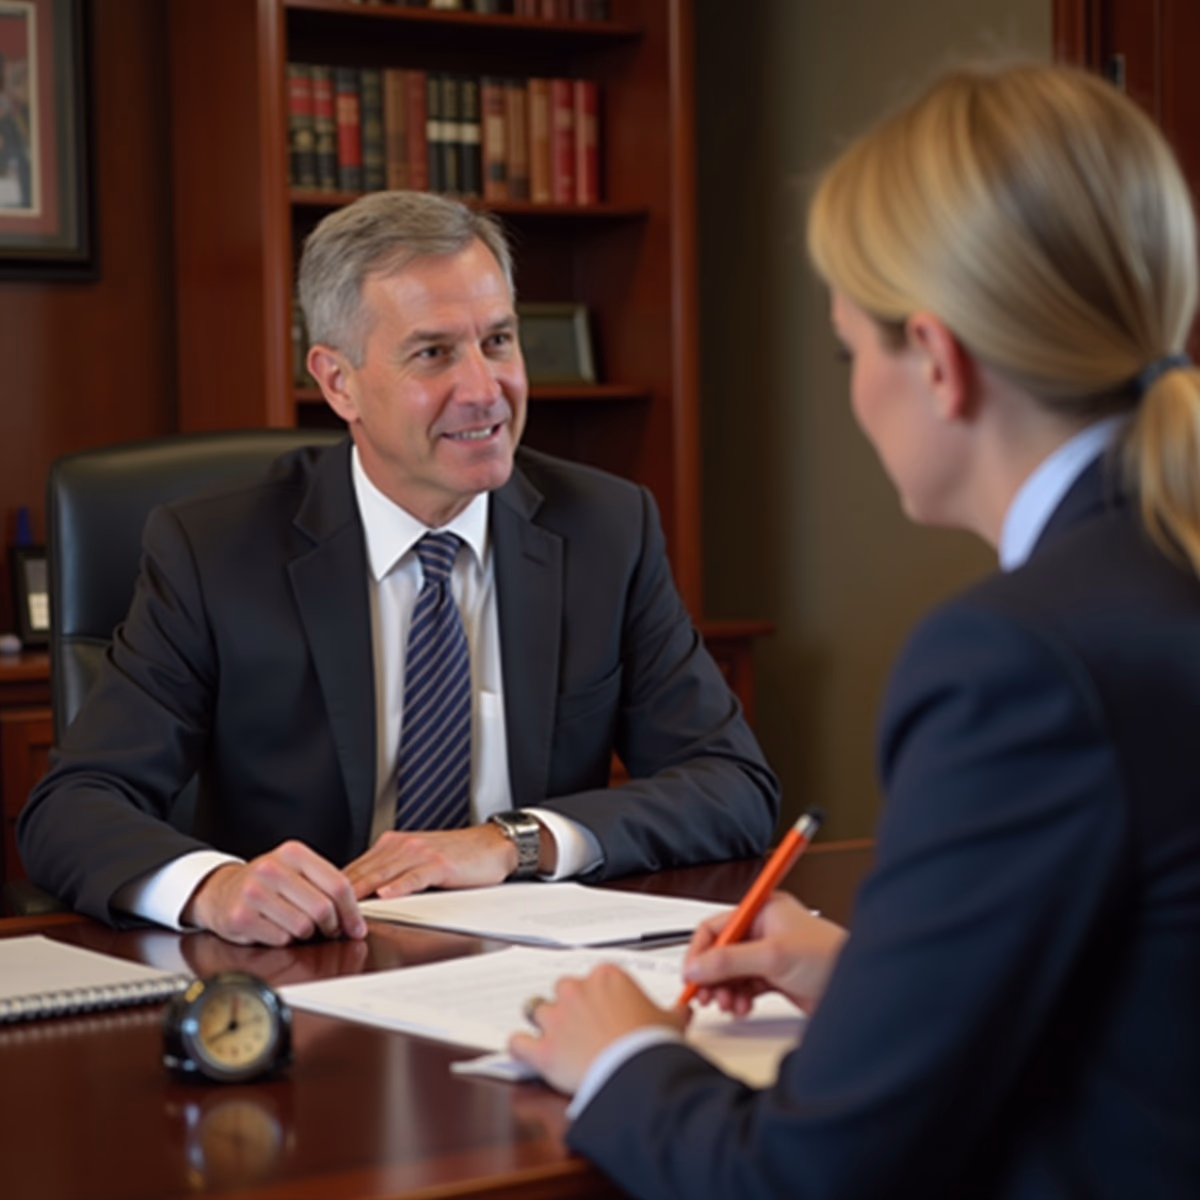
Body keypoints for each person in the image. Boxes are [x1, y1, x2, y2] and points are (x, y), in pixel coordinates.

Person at [508, 61, 1200, 1198]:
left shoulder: (1018, 659)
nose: (853, 390)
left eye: (850, 352)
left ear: (934, 359)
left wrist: (621, 1058)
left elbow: (809, 1177)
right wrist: (881, 976)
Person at [18, 190, 779, 946]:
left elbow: (732, 786)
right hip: (308, 975)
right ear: (337, 380)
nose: (486, 390)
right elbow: (73, 805)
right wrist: (215, 889)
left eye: (500, 341)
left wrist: (511, 842)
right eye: (433, 352)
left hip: (529, 970)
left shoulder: (607, 529)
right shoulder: (214, 550)